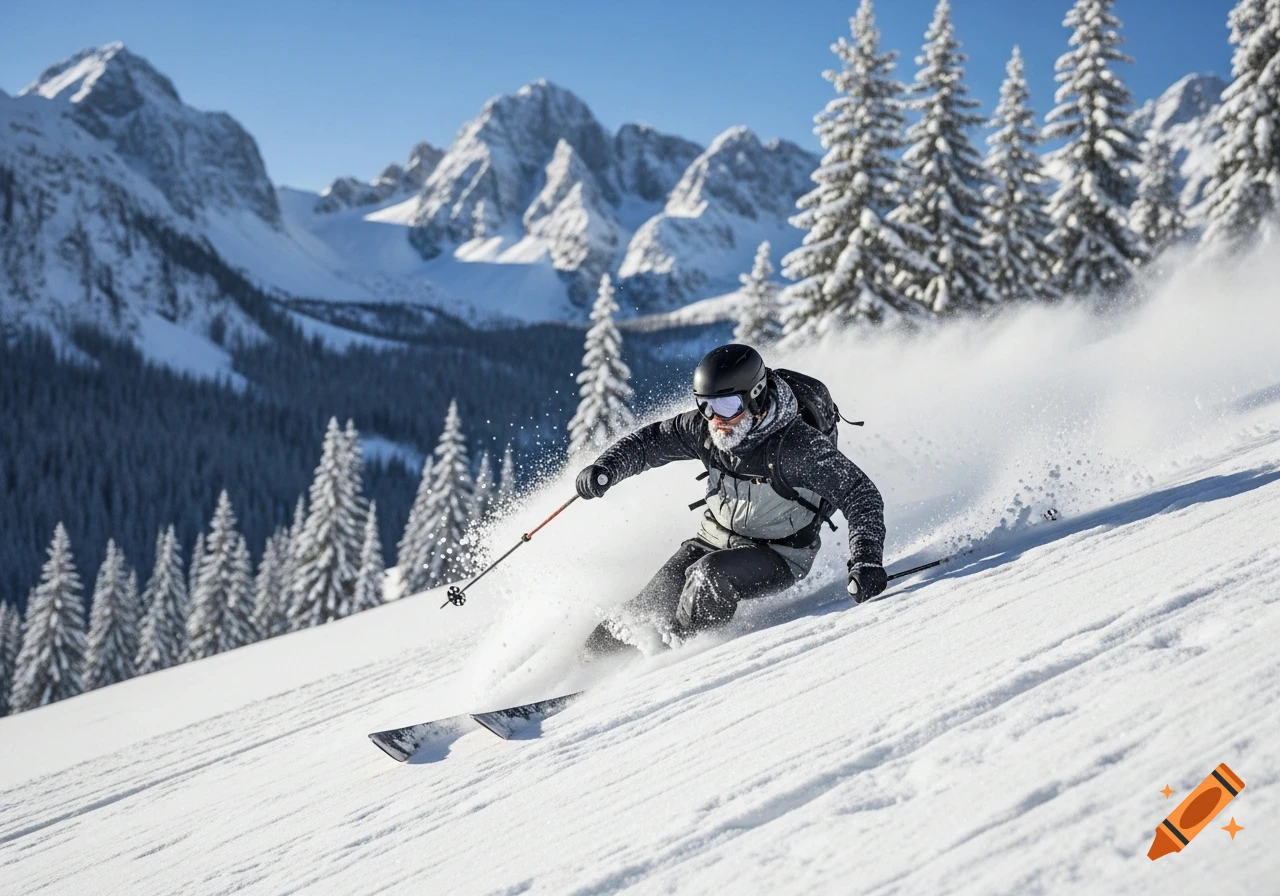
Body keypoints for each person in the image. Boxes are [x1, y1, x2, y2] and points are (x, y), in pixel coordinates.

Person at [576, 343, 887, 656]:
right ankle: (584, 667)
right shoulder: (706, 430)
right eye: (705, 406)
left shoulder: (797, 447)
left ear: (756, 397)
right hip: (712, 538)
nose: (716, 419)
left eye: (726, 406)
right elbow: (650, 442)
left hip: (778, 553)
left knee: (709, 576)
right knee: (646, 608)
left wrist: (867, 558)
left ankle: (670, 663)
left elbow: (860, 495)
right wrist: (607, 467)